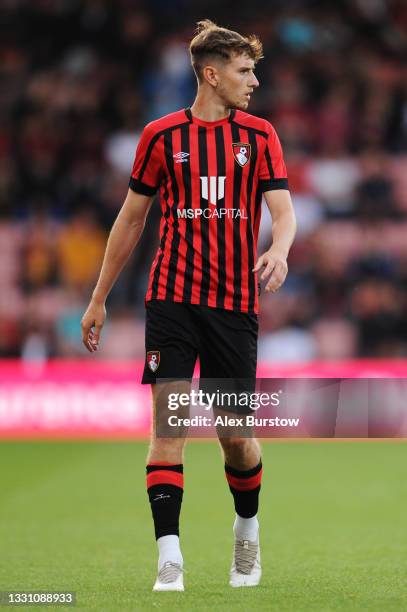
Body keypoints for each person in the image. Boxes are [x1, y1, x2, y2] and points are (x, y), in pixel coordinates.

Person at [81, 19, 296, 592]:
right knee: (168, 428)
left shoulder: (260, 135)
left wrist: (280, 246)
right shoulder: (159, 137)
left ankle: (246, 533)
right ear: (212, 73)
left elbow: (283, 211)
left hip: (233, 304)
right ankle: (168, 558)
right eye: (245, 71)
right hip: (172, 299)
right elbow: (131, 219)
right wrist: (99, 298)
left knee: (236, 438)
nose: (253, 81)